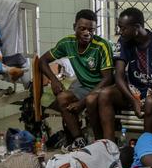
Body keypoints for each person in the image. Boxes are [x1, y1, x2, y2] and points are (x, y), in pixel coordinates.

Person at [94, 7, 152, 140]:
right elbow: (119, 75)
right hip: (135, 91)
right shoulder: (123, 42)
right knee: (105, 94)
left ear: (136, 27)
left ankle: (147, 147)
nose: (120, 32)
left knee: (151, 101)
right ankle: (109, 145)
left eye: (123, 28)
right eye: (119, 28)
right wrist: (133, 100)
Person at [39, 9, 114, 152]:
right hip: (83, 85)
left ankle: (100, 143)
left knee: (89, 100)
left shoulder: (102, 46)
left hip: (101, 87)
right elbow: (42, 61)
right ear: (74, 27)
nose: (87, 33)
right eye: (82, 28)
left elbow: (108, 78)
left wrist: (81, 103)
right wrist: (54, 80)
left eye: (91, 30)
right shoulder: (67, 43)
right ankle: (79, 140)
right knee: (62, 98)